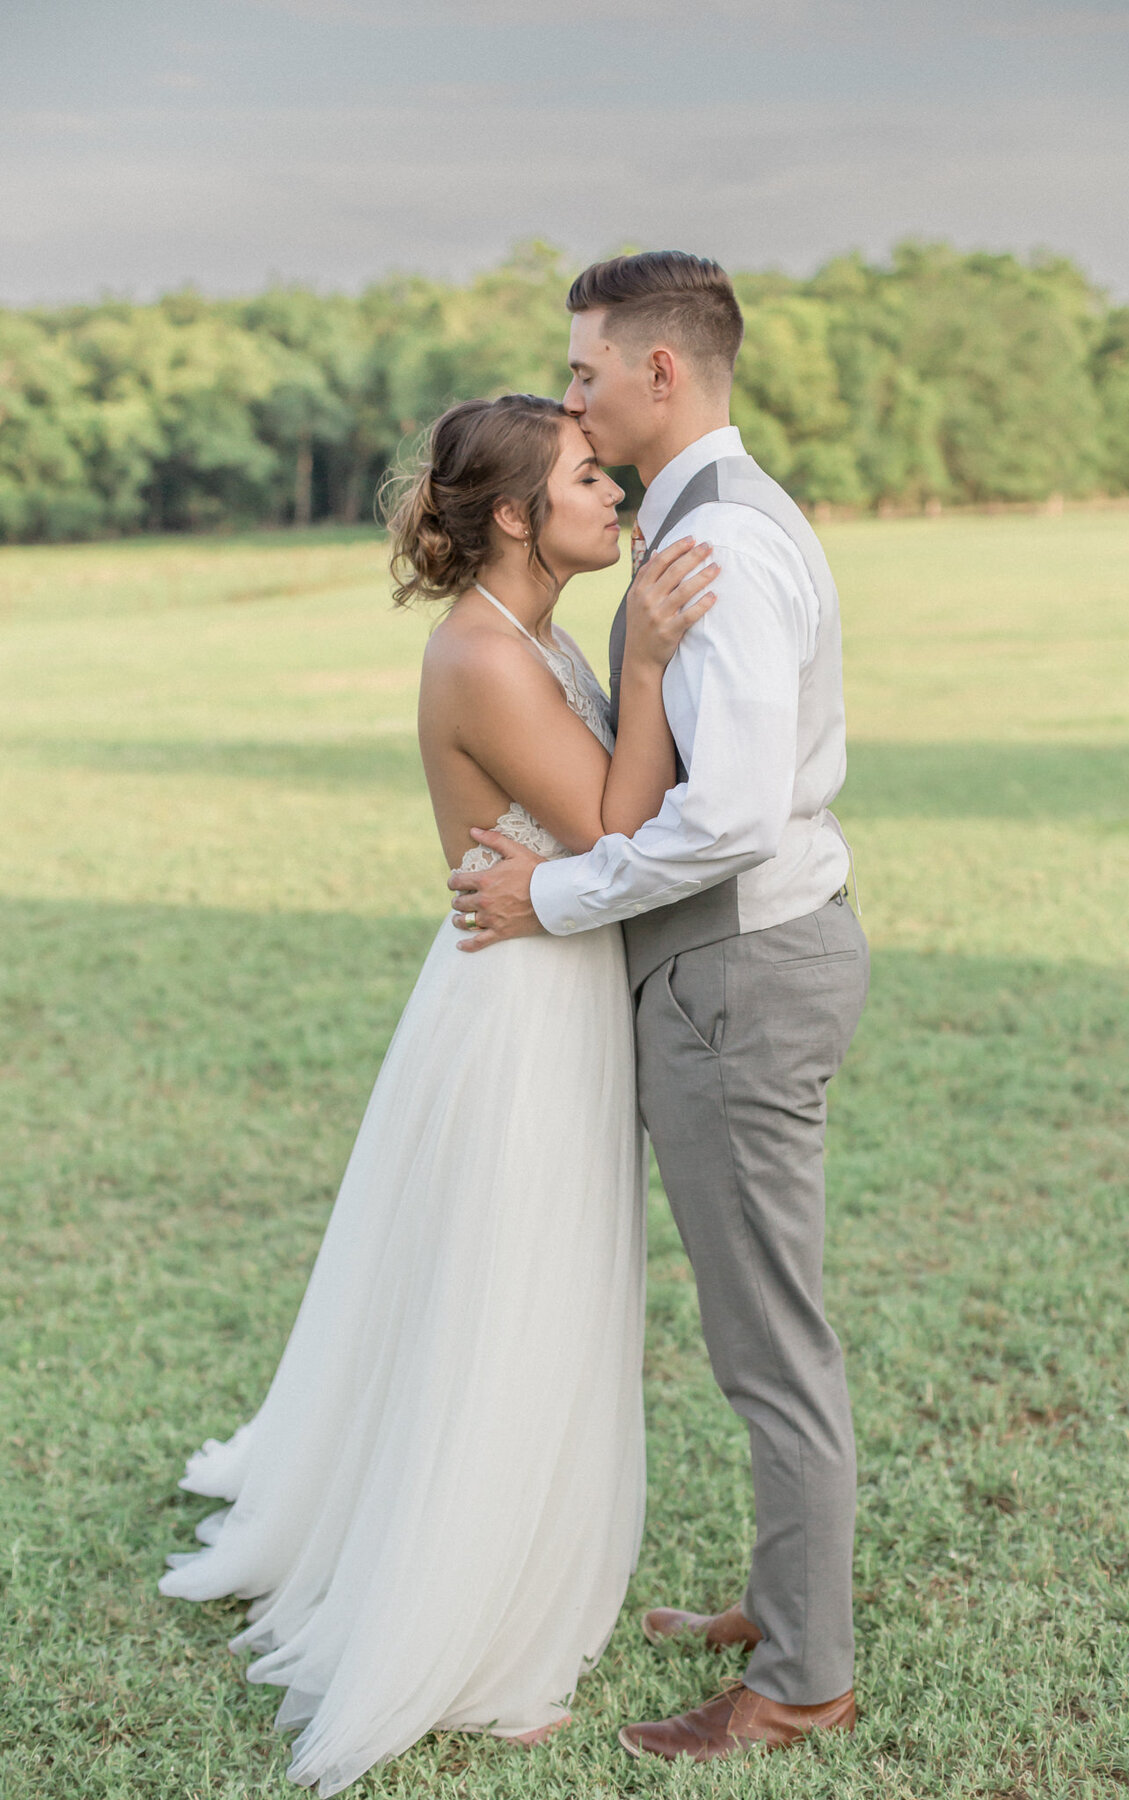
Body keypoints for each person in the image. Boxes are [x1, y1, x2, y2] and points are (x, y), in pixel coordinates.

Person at [158, 392, 718, 1796]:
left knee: (538, 1289)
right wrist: (646, 662)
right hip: (522, 1016)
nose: (615, 492)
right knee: (508, 1299)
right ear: (518, 514)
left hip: (546, 985)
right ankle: (468, 1638)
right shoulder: (482, 652)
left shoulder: (525, 631)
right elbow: (618, 832)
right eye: (588, 477)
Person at [449, 253, 870, 1763]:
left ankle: (805, 1680)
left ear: (660, 375)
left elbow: (733, 813)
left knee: (769, 1341)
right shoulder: (705, 526)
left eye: (582, 373)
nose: (571, 393)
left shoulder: (724, 551)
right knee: (763, 1322)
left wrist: (552, 897)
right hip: (742, 966)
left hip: (740, 974)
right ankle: (784, 1601)